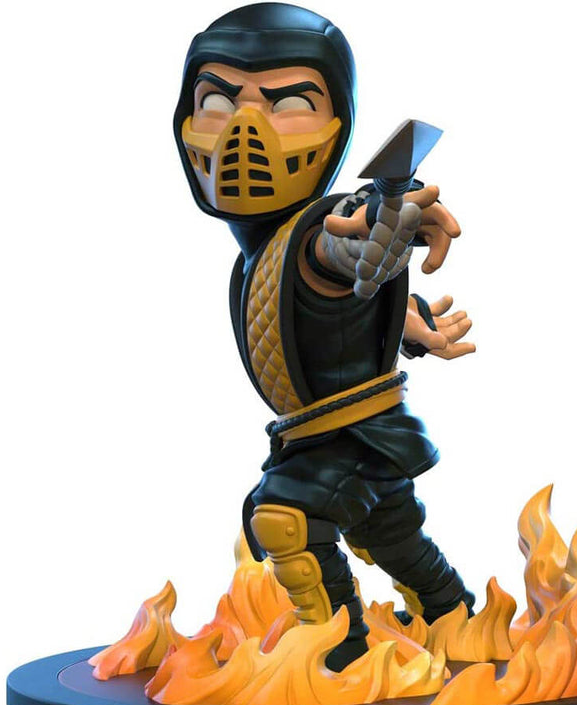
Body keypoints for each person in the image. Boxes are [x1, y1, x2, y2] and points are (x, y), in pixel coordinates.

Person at [174, 3, 476, 669]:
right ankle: (454, 616)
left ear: (334, 123)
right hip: (331, 434)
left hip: (351, 430)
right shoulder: (261, 253)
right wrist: (407, 321)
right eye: (218, 101)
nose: (246, 131)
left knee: (287, 518)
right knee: (388, 533)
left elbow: (346, 247)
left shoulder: (315, 230)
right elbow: (337, 304)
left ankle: (338, 658)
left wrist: (383, 224)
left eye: (287, 104)